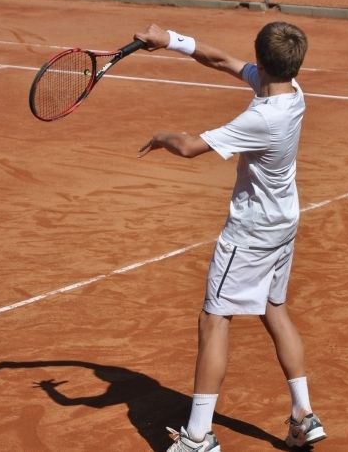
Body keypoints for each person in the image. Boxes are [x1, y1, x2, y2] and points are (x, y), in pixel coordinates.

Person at [135, 22, 326, 452]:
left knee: (214, 320)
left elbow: (188, 147)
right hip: (283, 224)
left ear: (261, 59)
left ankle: (198, 437)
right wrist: (170, 40)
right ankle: (303, 414)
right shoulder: (291, 91)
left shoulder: (260, 118)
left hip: (250, 234)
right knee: (274, 309)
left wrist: (163, 135)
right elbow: (221, 60)